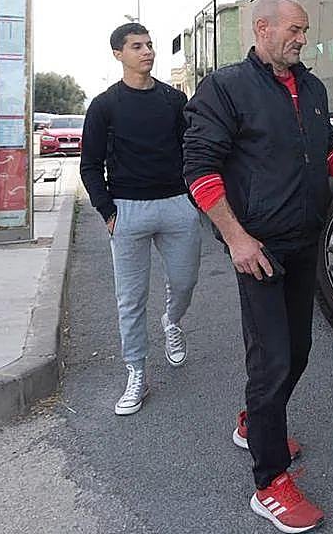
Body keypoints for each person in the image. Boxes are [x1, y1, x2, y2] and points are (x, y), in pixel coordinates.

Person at [184, 0, 333, 533]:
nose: (303, 39)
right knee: (272, 359)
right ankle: (269, 481)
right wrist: (236, 239)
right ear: (263, 28)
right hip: (258, 249)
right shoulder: (226, 88)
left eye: (304, 32)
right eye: (295, 30)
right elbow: (200, 170)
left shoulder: (314, 87)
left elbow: (328, 150)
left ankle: (256, 421)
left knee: (297, 351)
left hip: (304, 241)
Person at [79, 22, 202, 416]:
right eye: (137, 46)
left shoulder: (172, 100)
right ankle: (137, 371)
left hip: (176, 205)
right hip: (127, 210)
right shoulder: (104, 105)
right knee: (130, 300)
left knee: (184, 281)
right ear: (118, 54)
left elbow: (193, 148)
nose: (147, 51)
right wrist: (108, 211)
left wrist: (193, 197)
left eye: (149, 45)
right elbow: (89, 166)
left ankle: (172, 321)